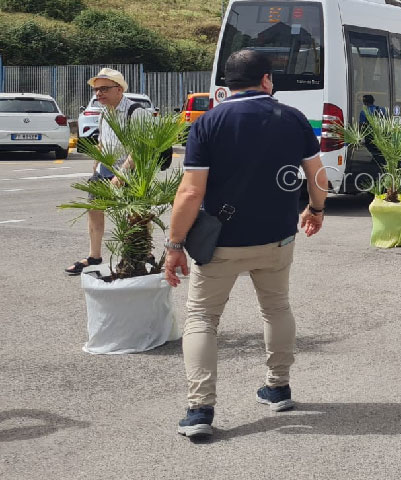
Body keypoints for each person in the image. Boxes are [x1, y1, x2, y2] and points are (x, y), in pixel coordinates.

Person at [163, 49, 328, 438]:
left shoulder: (208, 122)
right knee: (276, 308)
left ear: (227, 85)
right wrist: (315, 210)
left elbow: (189, 192)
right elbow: (317, 175)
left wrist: (174, 244)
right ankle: (278, 387)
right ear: (267, 80)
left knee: (203, 318)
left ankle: (200, 410)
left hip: (220, 242)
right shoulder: (293, 118)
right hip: (277, 238)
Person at [65, 68, 151, 275]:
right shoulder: (104, 112)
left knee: (135, 215)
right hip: (105, 169)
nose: (98, 93)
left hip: (130, 172)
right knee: (94, 210)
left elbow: (141, 148)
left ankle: (143, 254)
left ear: (119, 89)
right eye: (96, 89)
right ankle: (94, 256)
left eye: (104, 88)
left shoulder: (136, 112)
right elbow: (103, 142)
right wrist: (97, 163)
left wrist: (121, 175)